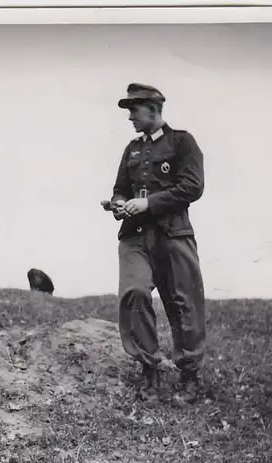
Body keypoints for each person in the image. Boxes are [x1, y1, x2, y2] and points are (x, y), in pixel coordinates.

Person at [107, 83, 206, 405]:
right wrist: (119, 203)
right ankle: (150, 369)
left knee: (183, 304)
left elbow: (192, 186)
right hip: (135, 237)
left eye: (133, 110)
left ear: (153, 109)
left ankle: (189, 375)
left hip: (173, 235)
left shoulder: (182, 142)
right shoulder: (131, 149)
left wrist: (149, 204)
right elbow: (120, 188)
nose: (130, 117)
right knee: (134, 294)